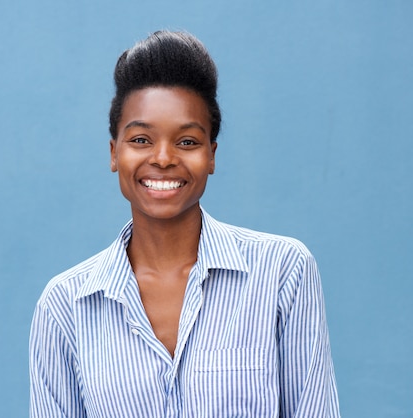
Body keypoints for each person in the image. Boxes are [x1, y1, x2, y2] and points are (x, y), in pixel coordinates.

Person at [29, 30, 340, 417]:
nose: (162, 158)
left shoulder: (282, 273)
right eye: (141, 139)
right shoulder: (65, 305)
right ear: (114, 154)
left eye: (188, 142)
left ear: (211, 154)